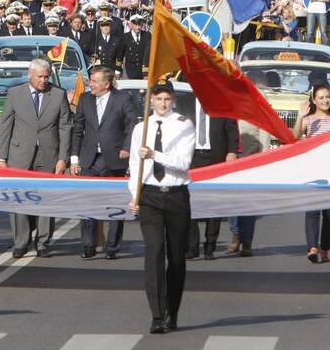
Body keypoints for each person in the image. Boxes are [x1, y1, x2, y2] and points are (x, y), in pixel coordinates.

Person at [128, 80, 195, 334]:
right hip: (151, 197)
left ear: (173, 100)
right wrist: (134, 194)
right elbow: (135, 165)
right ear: (151, 101)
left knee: (176, 258)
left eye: (167, 99)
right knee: (154, 253)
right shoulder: (140, 129)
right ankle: (157, 314)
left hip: (176, 194)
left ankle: (172, 312)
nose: (163, 104)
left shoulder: (183, 125)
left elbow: (183, 162)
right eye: (158, 99)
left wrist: (155, 154)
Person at [0, 57, 73, 258]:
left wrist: (63, 158)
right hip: (19, 156)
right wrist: (1, 158)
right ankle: (21, 242)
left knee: (46, 200)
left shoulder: (58, 94)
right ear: (30, 74)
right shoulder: (15, 94)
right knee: (19, 199)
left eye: (46, 77)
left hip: (48, 155)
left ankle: (43, 242)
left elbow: (65, 127)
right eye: (40, 76)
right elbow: (5, 127)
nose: (43, 80)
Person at [71, 66, 137, 259]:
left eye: (94, 81)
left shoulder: (122, 99)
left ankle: (112, 248)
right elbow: (78, 129)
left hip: (114, 160)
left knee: (115, 205)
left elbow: (131, 125)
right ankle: (88, 246)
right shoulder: (85, 99)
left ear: (106, 84)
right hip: (89, 160)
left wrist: (127, 148)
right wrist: (74, 158)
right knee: (87, 204)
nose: (90, 84)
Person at [293, 83, 330, 262]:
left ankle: (325, 249)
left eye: (327, 97)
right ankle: (312, 248)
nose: (325, 100)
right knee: (312, 211)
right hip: (312, 171)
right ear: (314, 101)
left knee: (329, 214)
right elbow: (294, 137)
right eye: (321, 97)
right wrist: (300, 116)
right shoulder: (308, 120)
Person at [187, 115, 239, 260]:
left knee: (213, 203)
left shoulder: (219, 105)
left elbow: (231, 129)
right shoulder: (185, 101)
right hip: (191, 158)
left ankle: (210, 246)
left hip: (216, 157)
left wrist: (232, 150)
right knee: (189, 203)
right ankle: (192, 246)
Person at [118, 15, 150, 80]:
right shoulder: (125, 37)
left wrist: (146, 72)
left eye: (140, 25)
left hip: (143, 71)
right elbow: (120, 55)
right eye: (135, 25)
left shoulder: (147, 35)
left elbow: (148, 54)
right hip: (129, 71)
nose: (138, 27)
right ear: (131, 24)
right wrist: (118, 70)